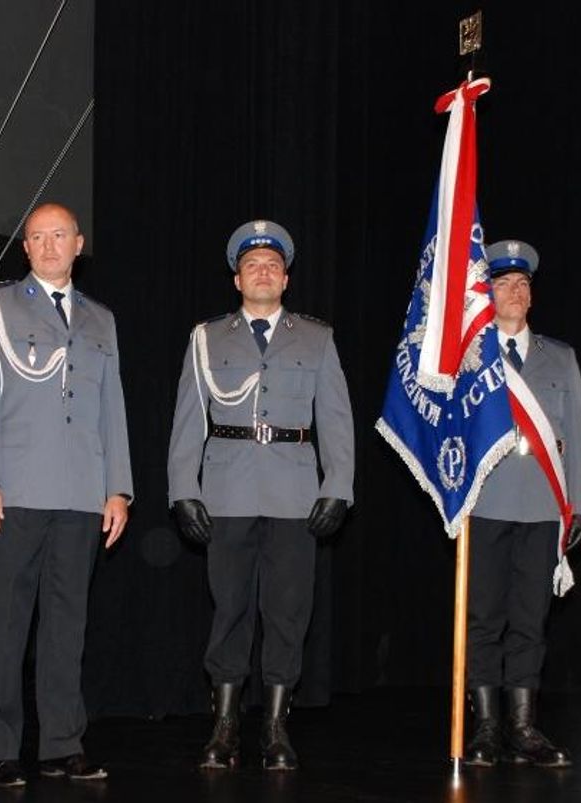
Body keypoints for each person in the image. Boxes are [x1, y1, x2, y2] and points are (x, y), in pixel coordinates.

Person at [167, 220, 354, 771]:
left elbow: (337, 419)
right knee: (229, 610)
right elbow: (187, 419)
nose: (263, 272)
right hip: (226, 491)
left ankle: (275, 726)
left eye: (273, 265)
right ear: (237, 278)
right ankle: (225, 728)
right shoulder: (207, 338)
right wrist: (184, 489)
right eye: (253, 266)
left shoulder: (317, 338)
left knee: (288, 612)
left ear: (287, 277)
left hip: (295, 494)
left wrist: (338, 486)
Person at [0, 203, 133, 788]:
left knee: (67, 623)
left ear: (78, 244)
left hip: (82, 492)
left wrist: (118, 489)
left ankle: (62, 744)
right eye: (37, 236)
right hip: (15, 490)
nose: (49, 245)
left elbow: (113, 410)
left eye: (60, 235)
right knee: (5, 622)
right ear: (25, 247)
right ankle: (1, 748)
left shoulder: (101, 320)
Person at [463, 239, 581, 769]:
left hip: (542, 501)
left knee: (529, 620)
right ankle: (487, 726)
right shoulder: (468, 357)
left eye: (523, 284)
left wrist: (580, 503)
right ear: (488, 296)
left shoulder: (559, 357)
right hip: (486, 499)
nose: (515, 291)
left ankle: (522, 724)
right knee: (483, 618)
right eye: (503, 284)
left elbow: (578, 436)